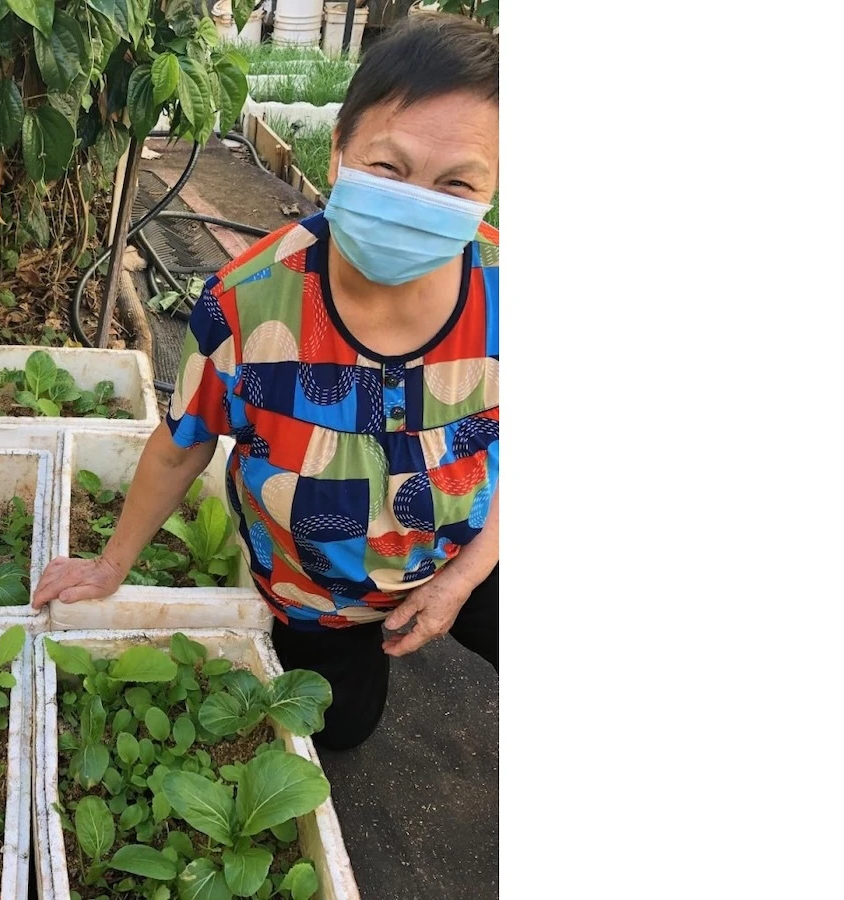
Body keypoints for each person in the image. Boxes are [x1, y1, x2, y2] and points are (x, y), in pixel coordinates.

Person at [31, 13, 499, 751]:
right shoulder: (247, 302)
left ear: (494, 190)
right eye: (389, 168)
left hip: (475, 548)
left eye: (456, 183)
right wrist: (110, 563)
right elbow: (182, 444)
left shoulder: (506, 294)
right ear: (339, 150)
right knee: (338, 728)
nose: (417, 203)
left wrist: (462, 581)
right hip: (322, 596)